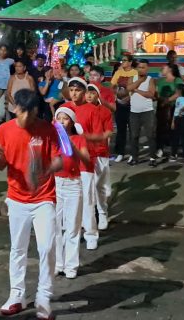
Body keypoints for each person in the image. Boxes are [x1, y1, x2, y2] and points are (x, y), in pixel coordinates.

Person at [0, 89, 61, 318]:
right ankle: (17, 295)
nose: (24, 119)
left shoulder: (47, 129)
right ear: (15, 109)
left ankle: (44, 296)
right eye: (21, 112)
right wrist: (0, 158)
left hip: (44, 197)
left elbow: (58, 159)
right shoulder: (4, 130)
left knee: (47, 246)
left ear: (35, 112)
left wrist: (46, 169)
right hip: (17, 197)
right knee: (18, 248)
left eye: (30, 114)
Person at [61, 78, 101, 250]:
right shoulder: (63, 110)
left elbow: (98, 136)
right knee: (66, 202)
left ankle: (91, 233)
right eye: (71, 90)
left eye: (77, 90)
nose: (74, 93)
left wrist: (82, 140)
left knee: (87, 200)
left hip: (85, 163)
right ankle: (69, 232)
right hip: (66, 165)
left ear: (84, 92)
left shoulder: (92, 110)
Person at [53, 107, 90, 279]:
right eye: (58, 118)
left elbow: (86, 160)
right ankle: (57, 263)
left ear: (72, 122)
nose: (61, 121)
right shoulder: (52, 139)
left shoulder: (78, 139)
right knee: (54, 226)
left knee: (72, 227)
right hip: (55, 183)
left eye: (65, 118)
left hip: (73, 184)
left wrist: (72, 145)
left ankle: (71, 266)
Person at [86, 84, 113, 231]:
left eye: (92, 93)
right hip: (84, 154)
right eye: (87, 93)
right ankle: (90, 217)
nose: (89, 96)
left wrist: (98, 140)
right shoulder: (79, 110)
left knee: (101, 188)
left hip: (101, 153)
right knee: (88, 187)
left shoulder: (104, 112)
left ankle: (103, 212)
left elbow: (108, 132)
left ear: (98, 95)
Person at [127, 59, 157, 167]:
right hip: (134, 112)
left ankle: (153, 158)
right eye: (139, 67)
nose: (141, 69)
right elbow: (128, 88)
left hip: (147, 112)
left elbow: (150, 94)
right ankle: (135, 158)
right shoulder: (132, 78)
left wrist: (137, 90)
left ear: (147, 68)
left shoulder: (150, 79)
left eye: (143, 67)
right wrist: (139, 82)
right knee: (134, 136)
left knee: (150, 135)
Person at [110, 54, 137, 162]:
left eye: (125, 60)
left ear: (130, 62)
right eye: (122, 60)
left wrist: (129, 97)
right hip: (120, 104)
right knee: (121, 130)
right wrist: (117, 95)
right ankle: (120, 153)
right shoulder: (118, 72)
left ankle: (133, 153)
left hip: (131, 104)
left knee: (132, 129)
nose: (123, 62)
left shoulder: (135, 73)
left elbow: (136, 87)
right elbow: (112, 85)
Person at [155, 64, 184, 159]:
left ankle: (174, 151)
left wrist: (167, 101)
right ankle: (160, 148)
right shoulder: (160, 81)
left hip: (173, 107)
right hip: (162, 108)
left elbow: (178, 93)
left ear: (170, 69)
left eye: (164, 68)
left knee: (174, 129)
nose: (161, 69)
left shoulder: (178, 80)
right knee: (160, 129)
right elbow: (157, 94)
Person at [170, 84, 184, 162]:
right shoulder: (178, 99)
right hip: (177, 118)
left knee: (183, 136)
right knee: (175, 137)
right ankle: (174, 154)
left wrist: (182, 110)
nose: (176, 91)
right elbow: (175, 110)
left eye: (177, 89)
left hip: (183, 118)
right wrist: (173, 121)